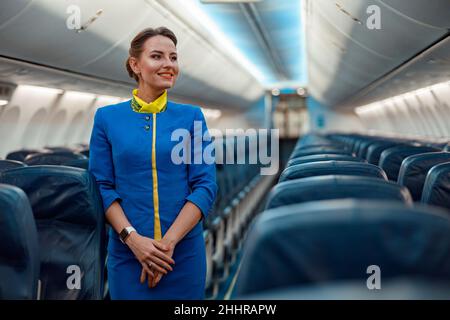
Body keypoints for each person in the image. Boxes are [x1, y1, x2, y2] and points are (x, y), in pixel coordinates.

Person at [88, 27, 217, 300]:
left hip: (182, 255)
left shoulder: (192, 117)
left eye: (173, 57)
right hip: (128, 255)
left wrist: (167, 245)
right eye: (157, 56)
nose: (168, 65)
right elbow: (101, 186)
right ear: (135, 64)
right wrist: (133, 240)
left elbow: (205, 185)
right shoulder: (107, 118)